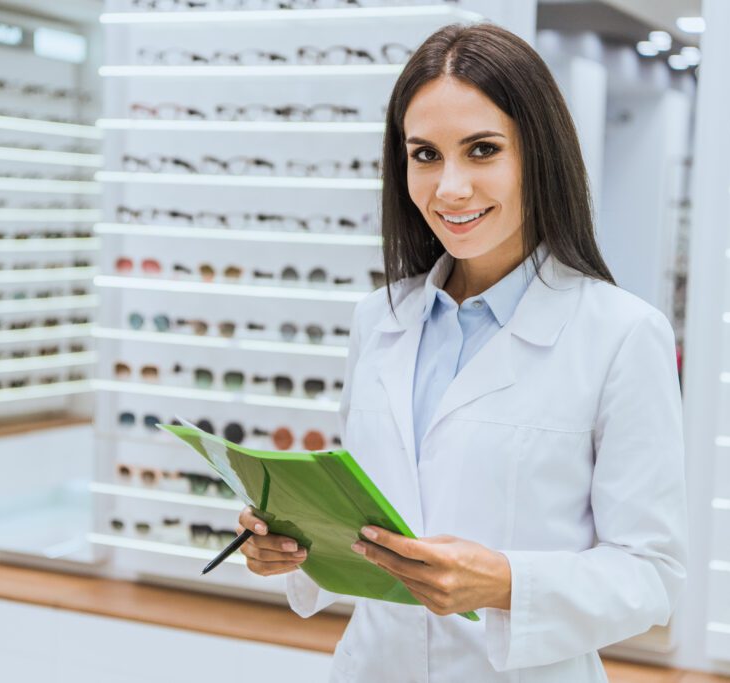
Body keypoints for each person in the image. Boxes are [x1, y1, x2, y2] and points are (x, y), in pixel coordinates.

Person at [236, 21, 687, 682]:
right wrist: (291, 542)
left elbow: (653, 574)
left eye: (481, 150)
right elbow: (365, 514)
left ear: (539, 153)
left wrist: (507, 581)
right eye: (425, 154)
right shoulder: (379, 319)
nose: (449, 188)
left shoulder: (622, 334)